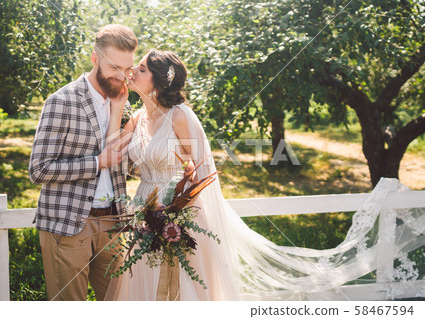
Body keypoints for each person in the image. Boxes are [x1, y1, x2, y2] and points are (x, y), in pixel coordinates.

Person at [106, 49, 425, 301]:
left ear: (161, 81)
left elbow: (203, 173)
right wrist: (119, 104)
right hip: (143, 211)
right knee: (142, 282)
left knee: (179, 286)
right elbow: (114, 154)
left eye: (142, 69)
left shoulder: (180, 116)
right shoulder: (136, 118)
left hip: (179, 214)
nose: (132, 71)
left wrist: (177, 212)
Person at [29, 24, 137, 301]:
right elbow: (39, 170)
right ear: (94, 58)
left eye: (128, 69)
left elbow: (122, 165)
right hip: (68, 226)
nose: (122, 76)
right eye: (115, 67)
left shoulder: (121, 101)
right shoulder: (61, 101)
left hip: (112, 223)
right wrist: (97, 162)